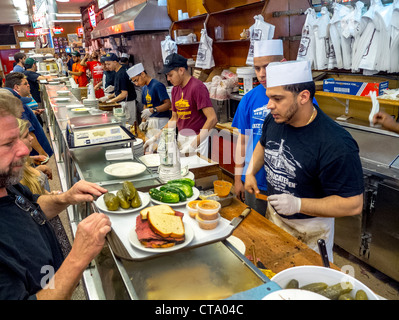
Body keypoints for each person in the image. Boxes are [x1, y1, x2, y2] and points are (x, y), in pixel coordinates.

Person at [244, 60, 364, 260]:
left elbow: (353, 204)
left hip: (311, 230)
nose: (269, 105)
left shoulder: (335, 143)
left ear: (303, 97)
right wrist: (250, 172)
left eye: (277, 98)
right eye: (269, 97)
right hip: (274, 218)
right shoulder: (274, 119)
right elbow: (263, 145)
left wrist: (298, 205)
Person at [0, 92, 111, 299]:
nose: (25, 150)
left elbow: (32, 204)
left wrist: (65, 198)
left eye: (19, 138)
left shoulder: (6, 183)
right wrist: (78, 257)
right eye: (8, 144)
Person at [232, 40, 285, 216]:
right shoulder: (249, 99)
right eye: (257, 68)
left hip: (286, 183)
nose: (262, 74)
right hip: (254, 179)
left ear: (282, 63)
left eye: (267, 67)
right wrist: (238, 178)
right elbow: (242, 142)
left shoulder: (299, 98)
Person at [143, 53, 217, 157]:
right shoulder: (175, 89)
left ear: (181, 71)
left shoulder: (197, 87)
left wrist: (193, 145)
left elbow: (212, 119)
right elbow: (174, 119)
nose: (168, 79)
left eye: (170, 75)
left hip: (197, 138)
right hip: (181, 137)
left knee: (195, 172)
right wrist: (155, 137)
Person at [18, 118, 72, 258]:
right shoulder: (15, 177)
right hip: (43, 226)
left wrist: (50, 194)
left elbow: (37, 195)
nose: (31, 138)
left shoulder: (23, 166)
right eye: (26, 136)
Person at [4, 73, 53, 158]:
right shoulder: (18, 105)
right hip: (35, 153)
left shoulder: (19, 103)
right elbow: (28, 132)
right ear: (17, 87)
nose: (28, 85)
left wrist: (32, 112)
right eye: (25, 83)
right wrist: (42, 153)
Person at [127, 63, 171, 136]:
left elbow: (168, 104)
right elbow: (146, 105)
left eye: (136, 80)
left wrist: (152, 110)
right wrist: (143, 121)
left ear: (143, 74)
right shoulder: (144, 88)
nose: (136, 84)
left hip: (161, 121)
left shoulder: (157, 85)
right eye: (134, 82)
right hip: (151, 121)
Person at [101, 53, 137, 125]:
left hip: (128, 104)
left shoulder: (122, 73)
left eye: (108, 64)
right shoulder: (117, 72)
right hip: (122, 103)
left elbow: (124, 94)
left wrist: (111, 101)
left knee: (129, 125)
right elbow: (119, 91)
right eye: (106, 64)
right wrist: (107, 97)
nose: (107, 66)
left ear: (115, 62)